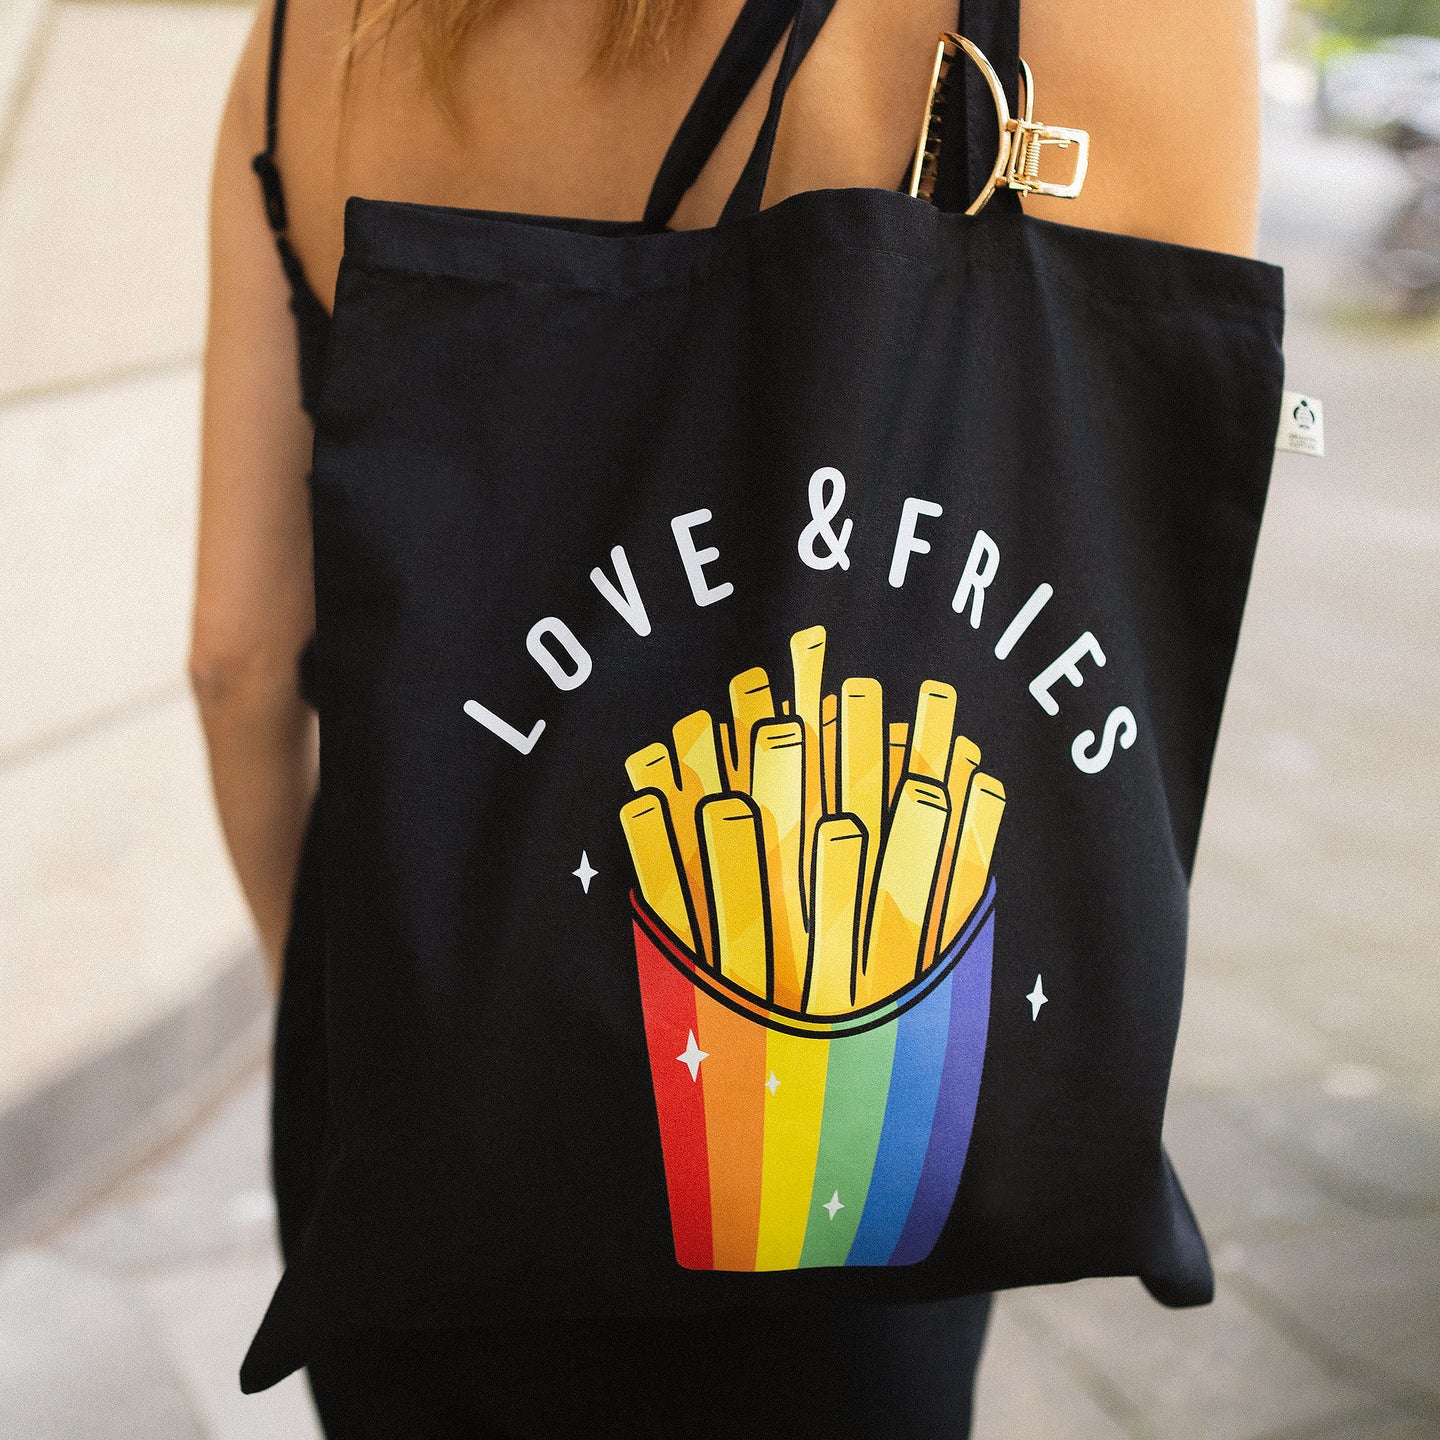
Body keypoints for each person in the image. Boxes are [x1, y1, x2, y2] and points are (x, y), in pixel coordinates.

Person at [191, 0, 1262, 1434]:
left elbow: (239, 661)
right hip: (867, 1127)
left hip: (431, 1083)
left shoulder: (316, 33)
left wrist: (347, 1005)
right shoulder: (1158, 25)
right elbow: (1125, 549)